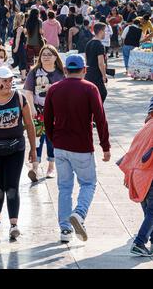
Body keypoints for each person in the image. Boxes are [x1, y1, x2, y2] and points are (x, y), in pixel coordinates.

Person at [44, 54, 111, 243]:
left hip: (60, 146)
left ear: (65, 70)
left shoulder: (54, 89)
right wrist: (105, 146)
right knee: (88, 183)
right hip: (82, 146)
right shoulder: (90, 88)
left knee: (64, 187)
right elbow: (100, 119)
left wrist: (53, 140)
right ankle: (79, 214)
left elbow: (47, 120)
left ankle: (65, 230)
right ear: (85, 70)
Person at [0, 66, 36, 239]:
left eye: (10, 80)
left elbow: (29, 124)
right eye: (4, 81)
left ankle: (13, 224)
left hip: (15, 149)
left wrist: (33, 149)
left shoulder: (19, 98)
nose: (8, 83)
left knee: (12, 187)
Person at [24, 45, 65, 182]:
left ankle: (51, 166)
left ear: (55, 57)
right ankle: (35, 167)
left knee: (51, 139)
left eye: (49, 54)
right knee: (36, 139)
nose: (46, 56)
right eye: (43, 54)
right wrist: (32, 108)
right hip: (38, 110)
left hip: (56, 111)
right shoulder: (34, 72)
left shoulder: (60, 73)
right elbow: (28, 91)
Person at [118, 103, 153, 256]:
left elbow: (133, 151)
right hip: (148, 176)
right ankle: (139, 242)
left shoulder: (147, 126)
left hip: (139, 176)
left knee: (149, 213)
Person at [84, 22, 108, 103]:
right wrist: (104, 76)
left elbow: (86, 59)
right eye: (105, 31)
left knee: (91, 95)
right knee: (103, 93)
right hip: (96, 74)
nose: (106, 33)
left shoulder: (88, 43)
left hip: (88, 73)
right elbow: (101, 63)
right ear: (101, 31)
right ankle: (97, 112)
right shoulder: (100, 45)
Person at [11, 12, 28, 82]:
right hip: (19, 46)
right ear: (21, 19)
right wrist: (17, 47)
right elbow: (18, 38)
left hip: (16, 45)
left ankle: (4, 71)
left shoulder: (16, 27)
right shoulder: (20, 28)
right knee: (23, 61)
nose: (25, 20)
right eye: (23, 19)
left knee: (16, 62)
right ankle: (23, 78)